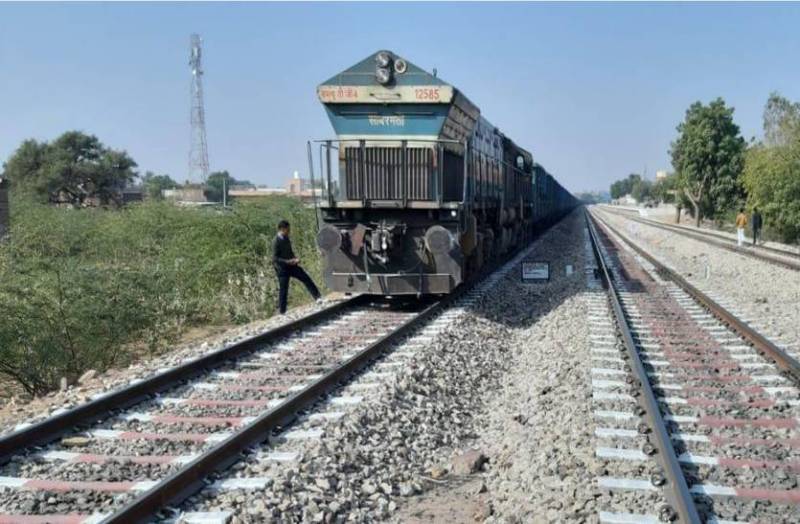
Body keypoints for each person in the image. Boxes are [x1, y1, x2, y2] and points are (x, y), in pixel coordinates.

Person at [272, 220, 321, 314]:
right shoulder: (276, 241)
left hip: (292, 266)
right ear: (282, 229)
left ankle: (318, 297)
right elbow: (275, 258)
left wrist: (295, 259)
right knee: (283, 290)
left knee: (306, 278)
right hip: (282, 269)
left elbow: (290, 251)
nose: (289, 231)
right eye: (287, 229)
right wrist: (287, 261)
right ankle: (282, 311)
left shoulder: (286, 238)